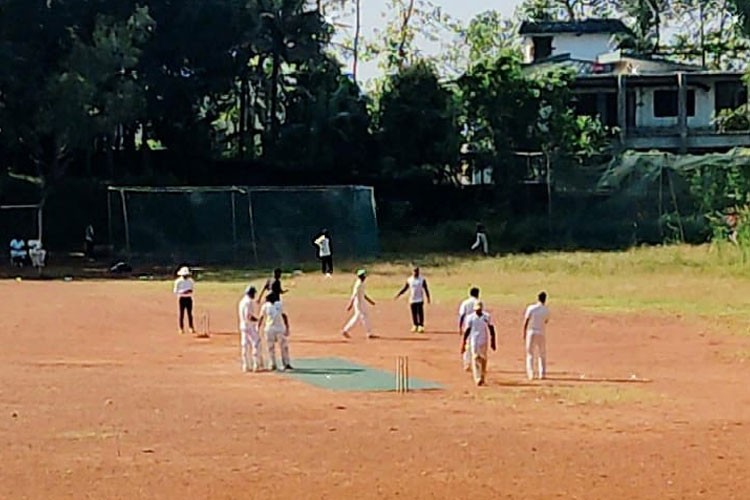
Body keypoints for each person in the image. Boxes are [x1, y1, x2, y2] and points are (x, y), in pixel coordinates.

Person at [461, 301, 497, 386]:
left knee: (483, 359)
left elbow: (491, 328)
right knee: (475, 358)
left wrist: (493, 341)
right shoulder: (470, 318)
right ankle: (478, 378)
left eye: (479, 309)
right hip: (474, 341)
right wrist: (464, 342)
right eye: (477, 309)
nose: (478, 311)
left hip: (484, 340)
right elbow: (467, 331)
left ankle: (482, 375)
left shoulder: (486, 317)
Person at [258, 292, 292, 371]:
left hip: (279, 328)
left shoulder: (279, 305)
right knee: (270, 347)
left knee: (284, 346)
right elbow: (261, 317)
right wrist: (258, 327)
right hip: (269, 328)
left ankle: (286, 363)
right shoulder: (265, 306)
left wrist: (287, 326)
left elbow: (284, 315)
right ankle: (272, 364)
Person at [523, 291, 551, 381]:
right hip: (541, 332)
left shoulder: (531, 308)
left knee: (530, 354)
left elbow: (526, 320)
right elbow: (546, 321)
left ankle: (531, 374)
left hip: (531, 331)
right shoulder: (546, 310)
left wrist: (524, 331)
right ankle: (542, 374)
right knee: (542, 354)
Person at [341, 269, 376, 339]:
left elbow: (363, 294)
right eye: (363, 275)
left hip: (362, 302)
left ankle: (369, 332)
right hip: (358, 302)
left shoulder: (362, 283)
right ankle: (345, 330)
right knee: (358, 316)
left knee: (365, 315)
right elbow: (354, 295)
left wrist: (370, 301)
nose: (365, 276)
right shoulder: (358, 284)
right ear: (361, 276)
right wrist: (350, 304)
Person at [394, 266, 431, 333]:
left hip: (419, 299)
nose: (415, 273)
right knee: (413, 313)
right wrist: (399, 294)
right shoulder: (409, 280)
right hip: (412, 299)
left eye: (417, 271)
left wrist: (428, 298)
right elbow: (405, 288)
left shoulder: (422, 280)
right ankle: (415, 325)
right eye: (414, 271)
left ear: (418, 272)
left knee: (420, 313)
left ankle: (421, 325)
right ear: (412, 272)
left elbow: (426, 289)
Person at [238, 286, 262, 372]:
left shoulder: (242, 302)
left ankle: (246, 365)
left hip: (243, 325)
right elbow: (248, 316)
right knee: (256, 343)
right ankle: (256, 364)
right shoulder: (248, 302)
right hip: (249, 326)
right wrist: (257, 319)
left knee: (245, 345)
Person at [458, 287, 481, 371]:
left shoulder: (465, 303)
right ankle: (477, 362)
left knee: (467, 345)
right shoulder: (479, 302)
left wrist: (460, 326)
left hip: (467, 325)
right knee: (477, 344)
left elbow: (462, 315)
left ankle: (467, 363)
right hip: (477, 326)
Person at [173, 266, 195, 334]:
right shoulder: (178, 281)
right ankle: (181, 328)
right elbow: (175, 291)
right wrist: (182, 292)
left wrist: (189, 291)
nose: (185, 276)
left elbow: (192, 289)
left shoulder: (191, 281)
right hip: (182, 298)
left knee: (190, 314)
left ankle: (191, 327)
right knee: (181, 314)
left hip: (189, 298)